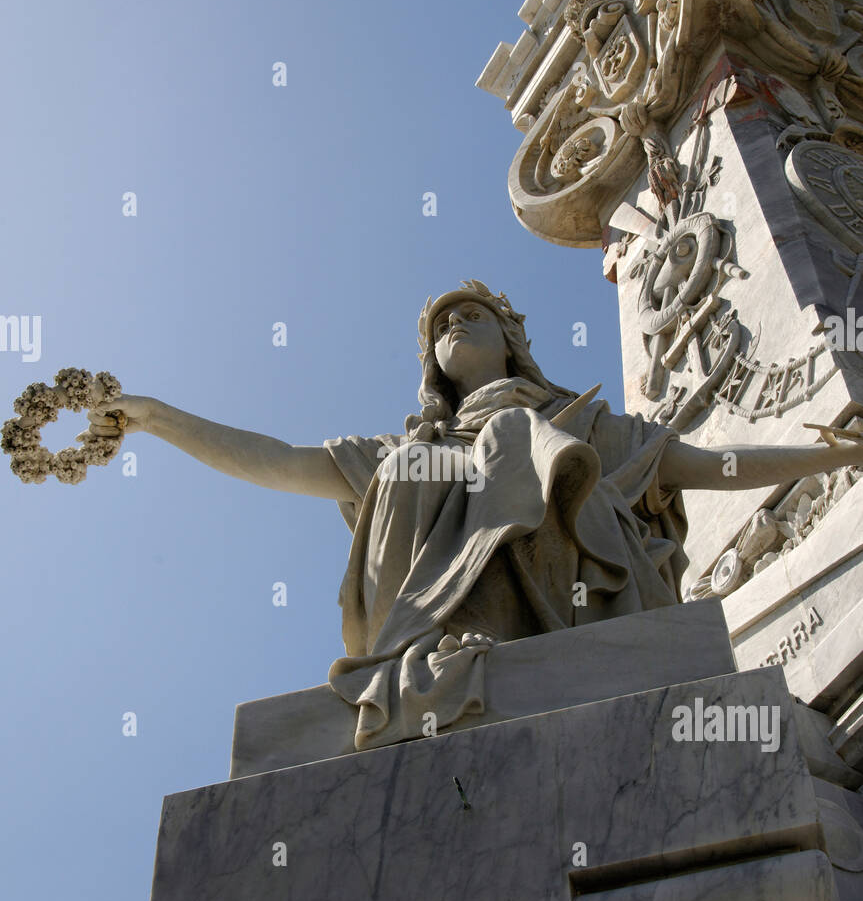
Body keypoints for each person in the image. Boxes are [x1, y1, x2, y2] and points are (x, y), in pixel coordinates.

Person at [86, 280, 863, 750]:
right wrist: (157, 417)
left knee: (520, 434)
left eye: (472, 315)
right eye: (440, 326)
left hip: (580, 600)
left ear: (511, 341)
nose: (453, 325)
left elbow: (707, 465)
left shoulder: (584, 428)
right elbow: (282, 463)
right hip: (429, 628)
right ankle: (421, 650)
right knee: (416, 464)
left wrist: (836, 458)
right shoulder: (405, 452)